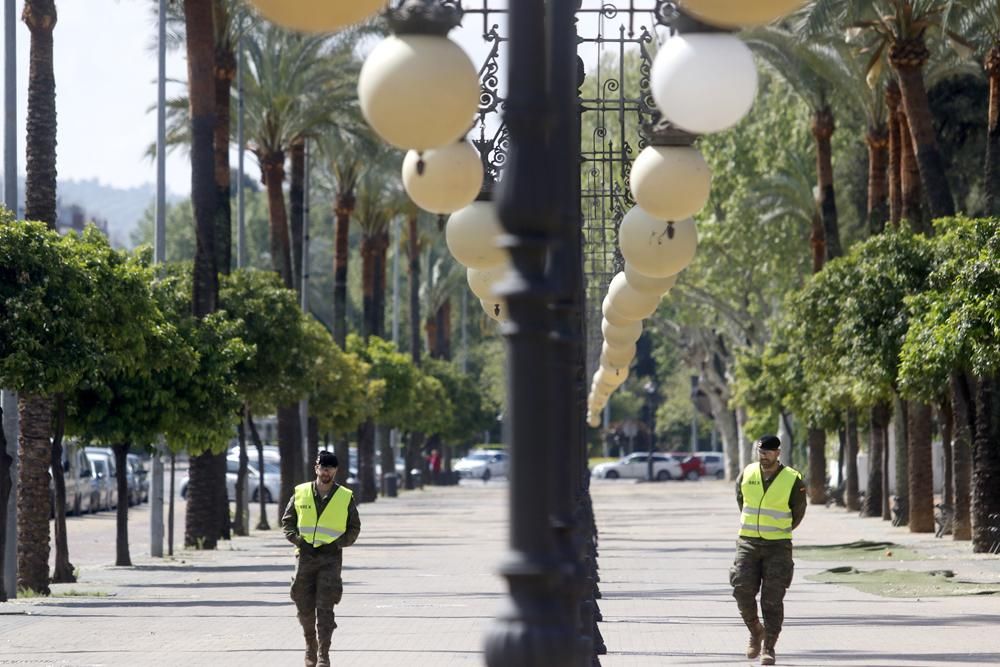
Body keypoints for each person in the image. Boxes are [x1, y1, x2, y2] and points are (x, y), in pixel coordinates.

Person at [730, 435, 806, 666]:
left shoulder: (793, 479)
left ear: (778, 453)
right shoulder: (747, 474)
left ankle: (769, 647)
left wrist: (779, 529)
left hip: (778, 546)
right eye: (761, 452)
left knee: (772, 599)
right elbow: (741, 501)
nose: (764, 456)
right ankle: (755, 630)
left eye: (769, 452)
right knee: (741, 589)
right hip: (748, 543)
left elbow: (798, 512)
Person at [282, 451, 361, 667]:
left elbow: (354, 527)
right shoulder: (301, 492)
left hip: (330, 559)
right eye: (322, 467)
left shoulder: (344, 496)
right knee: (303, 604)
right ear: (316, 468)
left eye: (330, 468)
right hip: (305, 556)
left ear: (335, 470)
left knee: (325, 607)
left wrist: (338, 543)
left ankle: (323, 654)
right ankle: (310, 644)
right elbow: (287, 521)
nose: (326, 472)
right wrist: (298, 540)